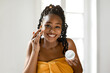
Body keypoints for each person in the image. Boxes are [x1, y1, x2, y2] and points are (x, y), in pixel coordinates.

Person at [23, 4, 83, 73]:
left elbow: (79, 71)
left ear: (62, 29)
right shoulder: (32, 44)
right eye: (48, 25)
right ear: (41, 26)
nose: (52, 31)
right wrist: (35, 51)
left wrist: (75, 65)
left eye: (57, 26)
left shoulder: (68, 44)